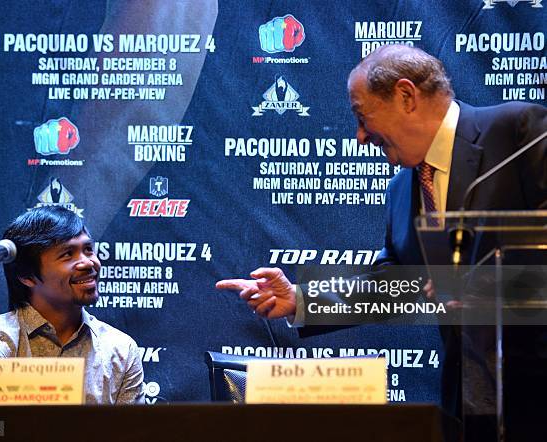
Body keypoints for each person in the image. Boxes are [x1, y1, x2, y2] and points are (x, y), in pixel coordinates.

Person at [217, 44, 546, 438]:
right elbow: (396, 287)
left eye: (362, 116)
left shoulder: (518, 131)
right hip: (473, 404)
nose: (359, 137)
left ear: (406, 96)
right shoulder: (401, 188)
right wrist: (300, 299)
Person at [0, 206, 145, 405]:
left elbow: (133, 433)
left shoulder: (121, 350)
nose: (88, 263)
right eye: (67, 254)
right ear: (27, 276)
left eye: (88, 250)